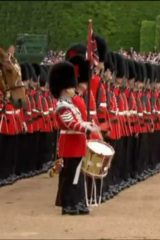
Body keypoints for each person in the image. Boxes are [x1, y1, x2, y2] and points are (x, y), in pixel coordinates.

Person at [49, 61, 101, 215]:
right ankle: (67, 204)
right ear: (64, 89)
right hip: (69, 144)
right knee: (69, 175)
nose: (74, 88)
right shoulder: (62, 106)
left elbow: (77, 121)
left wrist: (87, 124)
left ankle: (77, 201)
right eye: (72, 86)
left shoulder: (69, 104)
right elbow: (71, 124)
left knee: (77, 176)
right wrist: (86, 127)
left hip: (77, 144)